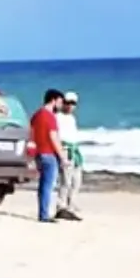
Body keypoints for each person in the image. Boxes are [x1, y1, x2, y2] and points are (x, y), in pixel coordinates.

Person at [30, 88, 66, 223]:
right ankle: (44, 214)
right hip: (48, 153)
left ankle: (43, 212)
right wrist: (62, 156)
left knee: (43, 184)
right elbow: (53, 137)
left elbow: (31, 133)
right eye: (60, 102)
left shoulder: (36, 115)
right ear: (53, 100)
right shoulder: (49, 116)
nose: (61, 105)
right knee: (48, 185)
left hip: (38, 153)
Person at [55, 89, 84, 221]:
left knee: (76, 181)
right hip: (65, 148)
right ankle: (61, 206)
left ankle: (71, 205)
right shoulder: (57, 117)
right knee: (65, 181)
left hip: (74, 149)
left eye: (73, 103)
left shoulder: (72, 118)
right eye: (67, 102)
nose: (70, 105)